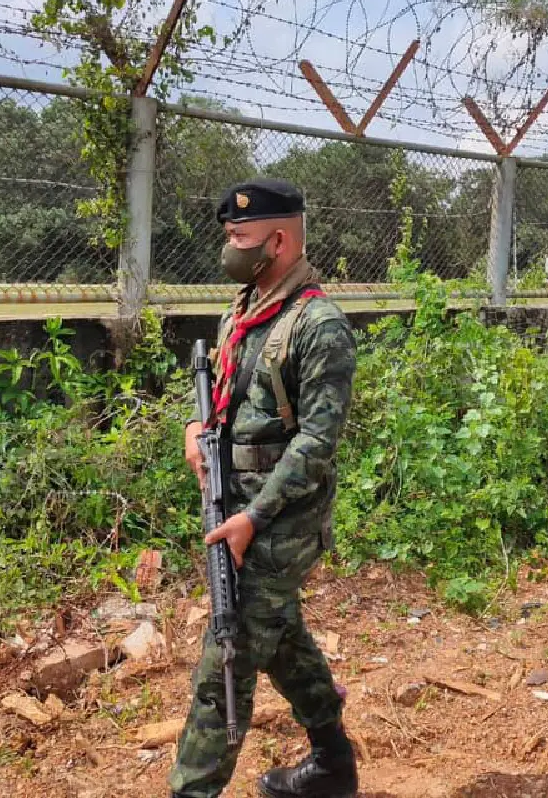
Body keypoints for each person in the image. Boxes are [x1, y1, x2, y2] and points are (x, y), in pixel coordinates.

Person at [168, 178, 359, 798]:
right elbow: (223, 395)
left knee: (228, 658)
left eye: (240, 237)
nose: (230, 246)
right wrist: (198, 427)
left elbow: (315, 446)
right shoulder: (243, 308)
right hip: (235, 507)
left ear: (277, 241)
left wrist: (254, 517)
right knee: (281, 642)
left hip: (283, 517)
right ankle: (333, 764)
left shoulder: (319, 326)